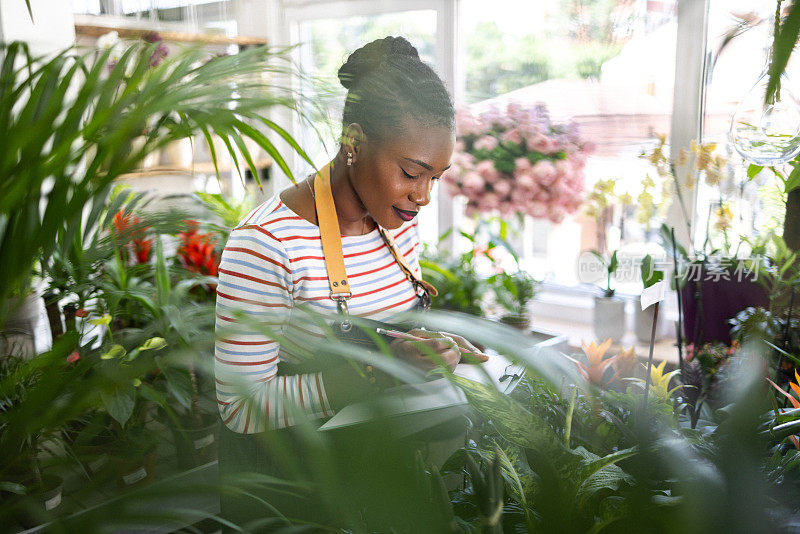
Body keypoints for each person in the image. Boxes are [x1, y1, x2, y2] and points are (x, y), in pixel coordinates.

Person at [214, 35, 484, 529]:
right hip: (295, 491)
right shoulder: (266, 244)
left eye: (436, 178)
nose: (422, 196)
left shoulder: (397, 222)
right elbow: (240, 408)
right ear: (354, 143)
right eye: (411, 172)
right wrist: (376, 374)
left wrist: (426, 346)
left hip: (377, 472)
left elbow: (384, 327)